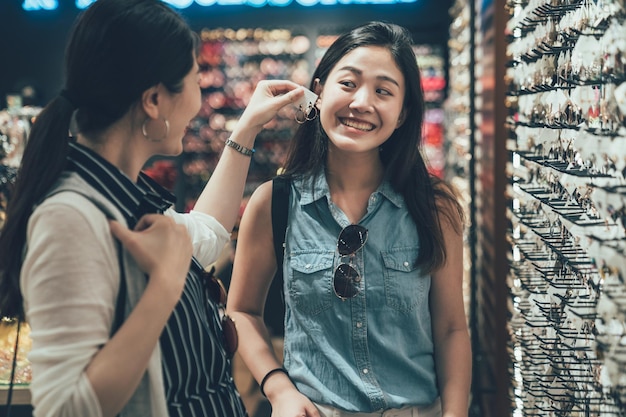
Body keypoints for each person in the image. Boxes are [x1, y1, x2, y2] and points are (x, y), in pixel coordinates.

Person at [0, 0, 305, 416]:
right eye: (196, 81)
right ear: (154, 100)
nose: (199, 101)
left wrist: (247, 128)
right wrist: (164, 283)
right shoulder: (70, 217)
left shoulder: (122, 194)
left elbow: (207, 235)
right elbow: (66, 408)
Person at [227, 21, 472, 417]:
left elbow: (450, 329)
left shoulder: (435, 206)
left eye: (383, 91)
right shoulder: (275, 202)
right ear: (319, 91)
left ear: (403, 111)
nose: (362, 102)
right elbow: (242, 311)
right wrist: (279, 390)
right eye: (348, 83)